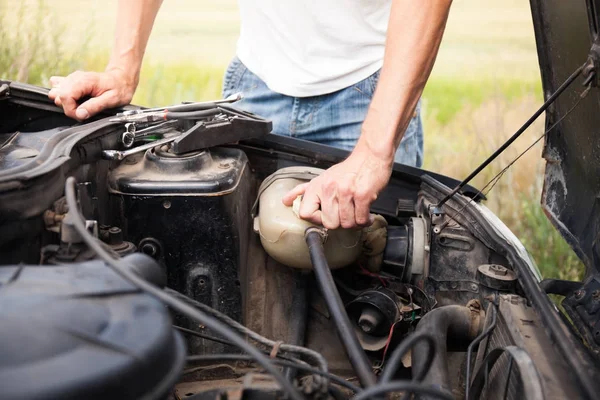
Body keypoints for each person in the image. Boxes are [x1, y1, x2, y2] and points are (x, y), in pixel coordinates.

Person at [49, 0, 452, 230]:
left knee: (376, 288)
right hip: (254, 88)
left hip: (368, 93)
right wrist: (122, 68)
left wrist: (373, 152)